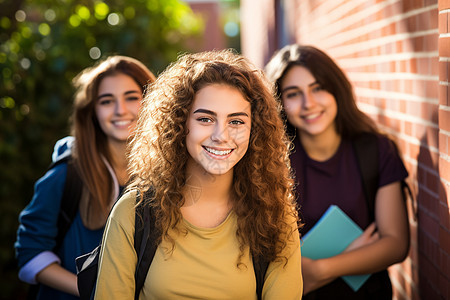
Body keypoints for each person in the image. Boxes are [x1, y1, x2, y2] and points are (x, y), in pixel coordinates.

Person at [94, 49, 303, 299]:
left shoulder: (276, 216)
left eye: (236, 121)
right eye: (205, 119)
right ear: (179, 125)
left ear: (254, 130)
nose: (221, 135)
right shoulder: (134, 211)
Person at [265, 44, 410, 299]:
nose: (308, 103)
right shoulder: (270, 162)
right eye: (293, 94)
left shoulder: (375, 150)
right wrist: (356, 255)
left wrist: (319, 269)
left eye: (318, 88)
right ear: (279, 102)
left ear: (336, 89)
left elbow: (396, 244)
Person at [15, 55, 156, 299]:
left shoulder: (165, 176)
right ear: (92, 111)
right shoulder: (67, 174)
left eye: (131, 97)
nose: (120, 110)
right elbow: (30, 253)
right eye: (106, 101)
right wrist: (92, 291)